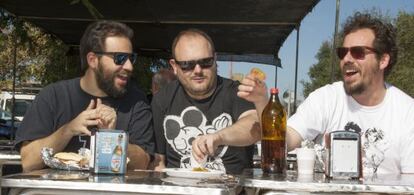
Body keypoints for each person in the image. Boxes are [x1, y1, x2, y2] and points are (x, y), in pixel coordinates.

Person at [239, 12, 414, 174]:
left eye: (358, 52)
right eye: (342, 52)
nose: (347, 59)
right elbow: (285, 141)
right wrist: (263, 102)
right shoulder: (326, 98)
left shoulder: (407, 112)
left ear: (383, 60)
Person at [15, 21, 155, 172]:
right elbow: (28, 162)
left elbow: (143, 162)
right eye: (120, 58)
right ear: (93, 60)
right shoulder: (53, 96)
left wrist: (110, 138)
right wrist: (68, 130)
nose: (129, 66)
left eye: (131, 58)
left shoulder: (136, 102)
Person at [151, 29, 261, 174]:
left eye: (205, 62)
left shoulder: (235, 92)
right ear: (174, 66)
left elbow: (255, 126)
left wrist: (219, 137)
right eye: (187, 64)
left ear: (215, 60)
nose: (197, 70)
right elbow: (159, 162)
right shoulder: (162, 99)